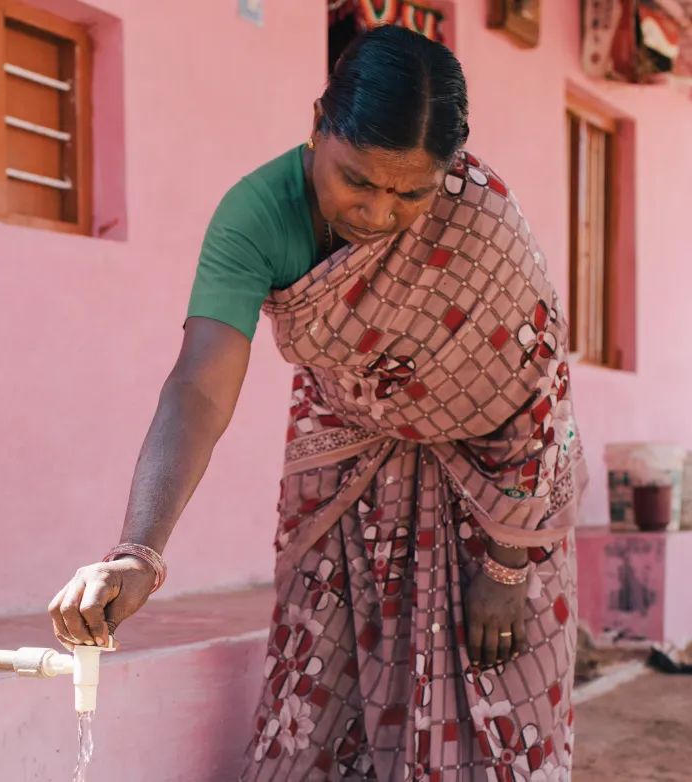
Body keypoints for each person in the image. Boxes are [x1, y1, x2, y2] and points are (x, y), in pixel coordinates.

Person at [49, 25, 586, 781]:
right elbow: (200, 384)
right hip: (349, 472)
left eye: (411, 193)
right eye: (357, 180)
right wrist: (139, 549)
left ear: (448, 173)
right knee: (322, 691)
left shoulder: (480, 218)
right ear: (317, 127)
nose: (378, 212)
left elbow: (540, 390)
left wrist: (506, 567)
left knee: (494, 713)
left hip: (498, 502)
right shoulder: (256, 216)